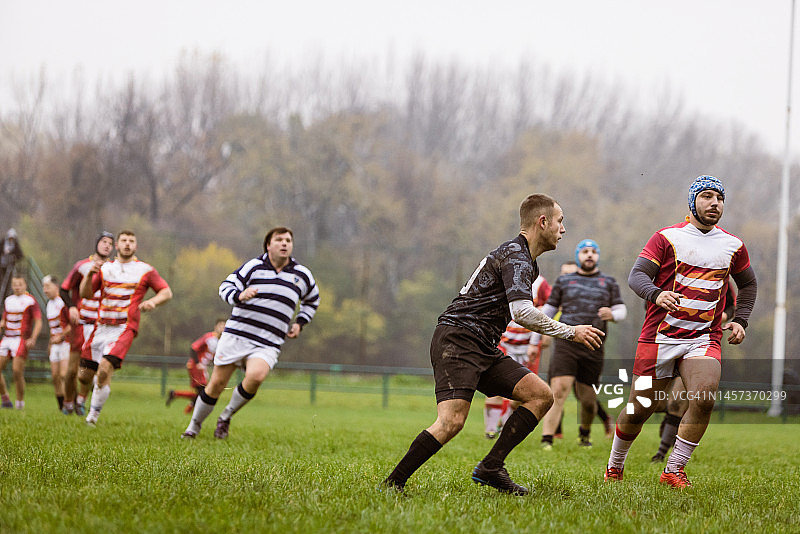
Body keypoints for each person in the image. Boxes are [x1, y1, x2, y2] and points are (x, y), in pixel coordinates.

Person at [381, 194, 605, 496]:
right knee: (452, 422)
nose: (563, 229)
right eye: (560, 221)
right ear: (543, 222)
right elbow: (522, 313)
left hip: (482, 345)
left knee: (540, 396)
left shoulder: (527, 261)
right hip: (458, 340)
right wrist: (570, 332)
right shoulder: (516, 255)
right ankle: (393, 483)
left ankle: (490, 468)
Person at [604, 175, 757, 488]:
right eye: (707, 196)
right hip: (659, 337)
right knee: (638, 409)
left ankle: (673, 469)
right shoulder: (666, 237)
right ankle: (614, 467)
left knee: (704, 396)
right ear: (693, 202)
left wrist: (740, 319)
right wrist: (656, 294)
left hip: (704, 337)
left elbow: (748, 284)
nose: (715, 203)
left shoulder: (732, 245)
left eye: (720, 198)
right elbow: (637, 276)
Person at [181, 227, 320, 440]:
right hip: (237, 335)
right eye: (279, 240)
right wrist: (239, 295)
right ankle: (194, 427)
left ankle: (225, 416)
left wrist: (300, 323)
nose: (285, 244)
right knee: (217, 384)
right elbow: (226, 286)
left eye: (288, 240)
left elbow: (312, 300)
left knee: (256, 376)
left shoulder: (302, 274)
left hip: (269, 341)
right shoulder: (253, 267)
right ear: (268, 245)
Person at [539, 239, 626, 449]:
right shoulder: (564, 281)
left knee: (588, 400)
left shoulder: (609, 282)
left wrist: (612, 314)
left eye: (593, 251)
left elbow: (622, 311)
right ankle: (547, 439)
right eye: (585, 251)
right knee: (558, 389)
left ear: (598, 256)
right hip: (566, 342)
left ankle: (584, 434)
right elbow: (548, 311)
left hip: (594, 344)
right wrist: (539, 333)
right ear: (578, 255)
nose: (589, 255)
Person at [78, 230, 172, 426]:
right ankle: (97, 389)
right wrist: (89, 275)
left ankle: (92, 417)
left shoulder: (145, 270)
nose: (127, 244)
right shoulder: (105, 268)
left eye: (131, 241)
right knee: (84, 377)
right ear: (117, 246)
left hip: (124, 328)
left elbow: (166, 291)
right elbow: (85, 294)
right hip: (100, 327)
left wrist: (153, 302)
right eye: (124, 241)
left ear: (135, 246)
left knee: (104, 370)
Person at [650, 284, 735, 462]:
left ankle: (663, 454)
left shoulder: (718, 273)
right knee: (654, 404)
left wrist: (722, 315)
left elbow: (730, 306)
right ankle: (671, 420)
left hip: (697, 344)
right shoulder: (667, 270)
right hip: (664, 341)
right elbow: (650, 301)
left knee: (677, 402)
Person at [483, 274, 551, 439]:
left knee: (525, 393)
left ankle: (503, 425)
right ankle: (490, 431)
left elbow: (552, 307)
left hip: (528, 347)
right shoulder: (502, 277)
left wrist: (545, 335)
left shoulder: (540, 283)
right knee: (495, 387)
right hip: (503, 343)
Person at [59, 231, 115, 415]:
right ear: (97, 244)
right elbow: (63, 290)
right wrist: (72, 307)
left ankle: (81, 401)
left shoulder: (114, 269)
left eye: (110, 243)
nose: (107, 245)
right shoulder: (82, 266)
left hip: (101, 325)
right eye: (104, 242)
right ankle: (68, 403)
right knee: (72, 370)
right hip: (81, 324)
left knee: (91, 368)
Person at [167, 319, 226, 414]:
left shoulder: (220, 341)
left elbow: (213, 356)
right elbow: (194, 347)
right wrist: (198, 363)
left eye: (224, 326)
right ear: (215, 327)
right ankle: (186, 406)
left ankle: (176, 396)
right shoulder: (209, 337)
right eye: (221, 326)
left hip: (202, 368)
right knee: (203, 392)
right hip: (196, 366)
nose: (223, 328)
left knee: (200, 393)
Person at [0, 276, 42, 409]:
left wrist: (33, 338)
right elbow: (5, 318)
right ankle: (6, 399)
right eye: (14, 284)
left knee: (17, 371)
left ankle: (19, 403)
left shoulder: (30, 301)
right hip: (7, 338)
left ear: (25, 285)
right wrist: (2, 323)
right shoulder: (8, 300)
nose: (17, 286)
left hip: (21, 339)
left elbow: (38, 321)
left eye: (20, 284)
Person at [43, 275, 72, 411]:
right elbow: (52, 327)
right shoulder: (49, 304)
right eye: (43, 287)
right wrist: (50, 343)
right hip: (55, 344)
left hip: (66, 343)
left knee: (64, 375)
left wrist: (61, 337)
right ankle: (61, 407)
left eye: (47, 287)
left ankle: (70, 402)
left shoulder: (63, 302)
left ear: (56, 287)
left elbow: (72, 326)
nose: (44, 290)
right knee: (55, 376)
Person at [0, 229, 25, 301]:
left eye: (12, 238)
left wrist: (14, 257)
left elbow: (20, 255)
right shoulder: (3, 242)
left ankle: (6, 297)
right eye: (10, 238)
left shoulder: (15, 245)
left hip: (10, 266)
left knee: (8, 283)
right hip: (2, 265)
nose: (11, 240)